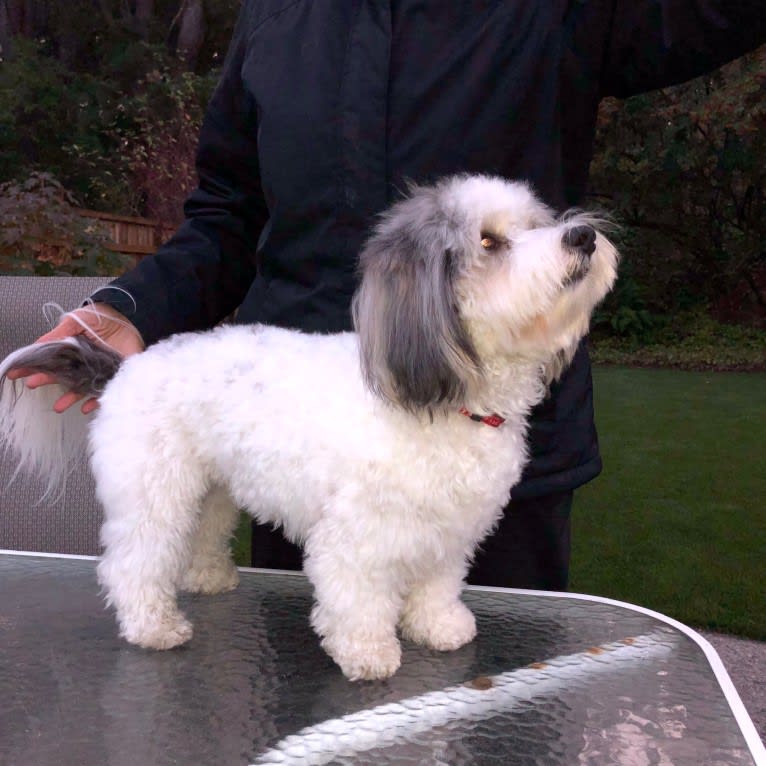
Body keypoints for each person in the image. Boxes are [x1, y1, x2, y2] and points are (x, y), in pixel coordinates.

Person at [10, 1, 765, 589]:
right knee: (312, 724)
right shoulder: (277, 16)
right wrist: (128, 309)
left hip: (499, 457)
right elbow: (228, 214)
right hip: (304, 456)